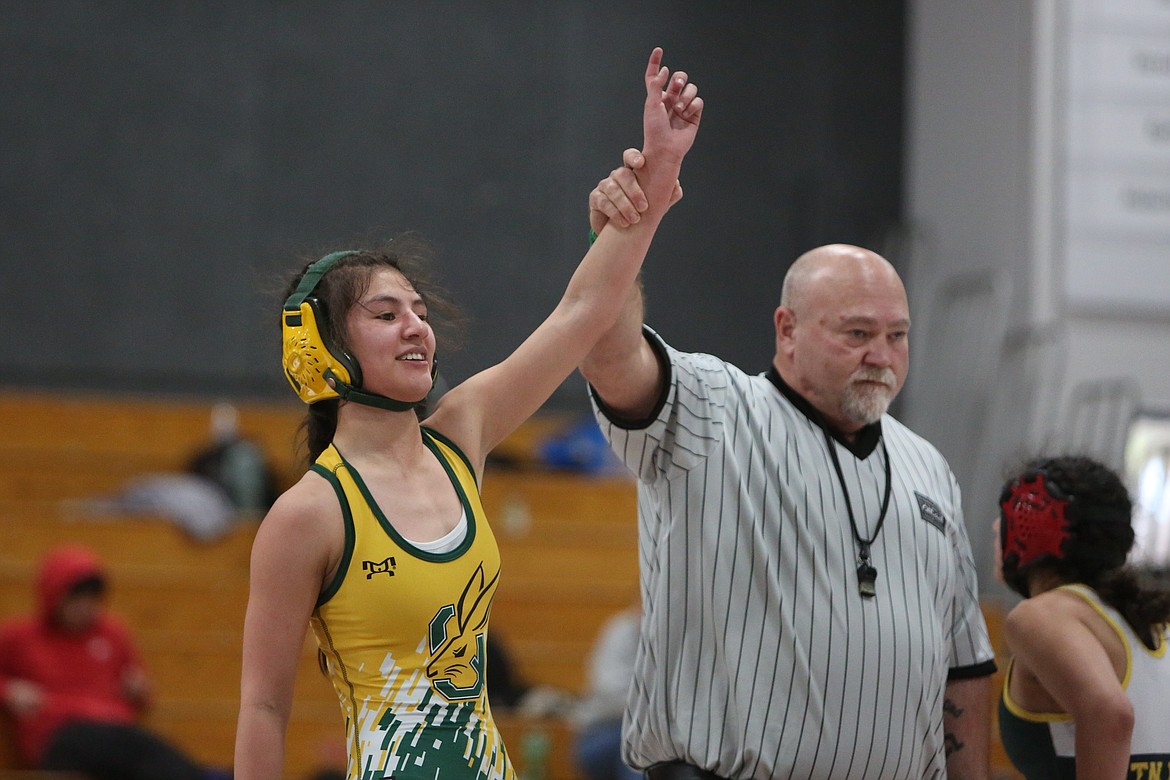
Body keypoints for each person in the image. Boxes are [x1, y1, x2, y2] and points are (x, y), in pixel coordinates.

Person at [233, 47, 703, 780]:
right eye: (386, 314)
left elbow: (580, 314)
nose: (417, 328)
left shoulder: (460, 434)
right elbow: (264, 708)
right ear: (322, 349)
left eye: (419, 312)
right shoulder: (308, 515)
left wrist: (657, 182)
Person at [581, 165, 998, 779]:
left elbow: (963, 668)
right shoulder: (714, 410)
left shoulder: (928, 467)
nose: (880, 356)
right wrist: (620, 239)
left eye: (897, 336)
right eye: (857, 333)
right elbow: (608, 353)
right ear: (787, 330)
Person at [995, 455, 1170, 778]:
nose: (996, 529)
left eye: (1002, 520)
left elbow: (1110, 714)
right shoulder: (1151, 621)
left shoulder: (1042, 617)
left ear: (1027, 526)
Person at [0, 544, 220, 780]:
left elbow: (141, 694)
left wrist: (139, 690)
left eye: (92, 599)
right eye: (76, 598)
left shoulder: (112, 634)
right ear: (54, 597)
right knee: (130, 747)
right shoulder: (20, 636)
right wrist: (8, 691)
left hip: (115, 731)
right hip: (59, 732)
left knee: (134, 746)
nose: (85, 607)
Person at [571, 605, 641, 780]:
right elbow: (608, 694)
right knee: (634, 749)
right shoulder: (620, 631)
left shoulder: (675, 635)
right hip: (605, 730)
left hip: (650, 736)